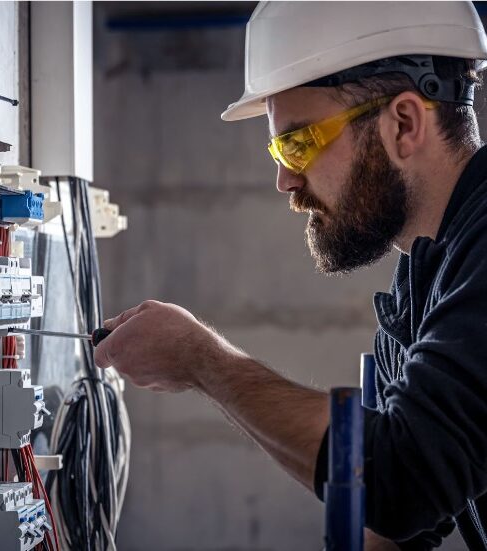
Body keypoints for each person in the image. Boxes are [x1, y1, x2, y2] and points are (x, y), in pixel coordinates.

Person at [94, 2, 487, 548]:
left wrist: (204, 361)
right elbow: (394, 518)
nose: (285, 179)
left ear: (404, 123)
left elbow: (405, 477)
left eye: (299, 143)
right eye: (278, 149)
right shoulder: (426, 278)